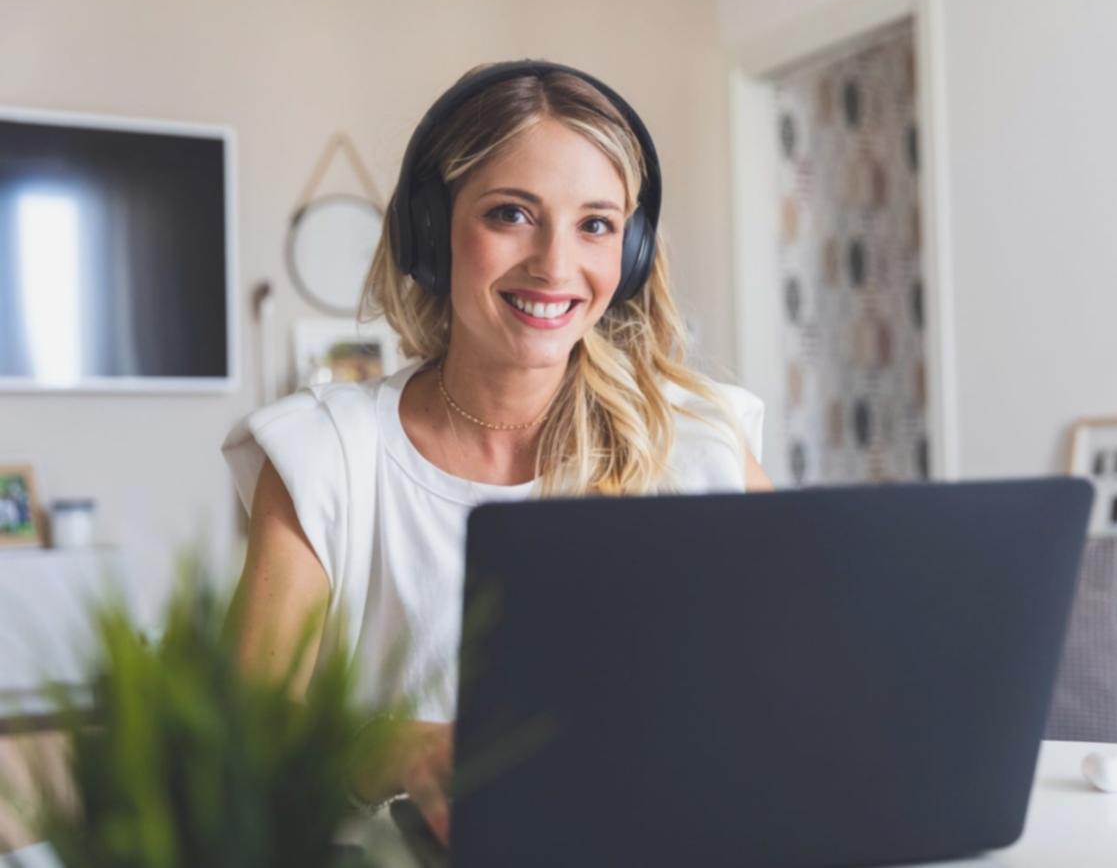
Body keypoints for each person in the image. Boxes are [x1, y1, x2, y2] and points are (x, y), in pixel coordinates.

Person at [221, 59, 770, 847]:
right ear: (430, 232)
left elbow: (805, 688)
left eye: (596, 224)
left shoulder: (701, 443)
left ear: (634, 249)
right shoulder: (325, 454)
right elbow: (244, 747)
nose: (555, 265)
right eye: (512, 214)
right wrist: (398, 749)